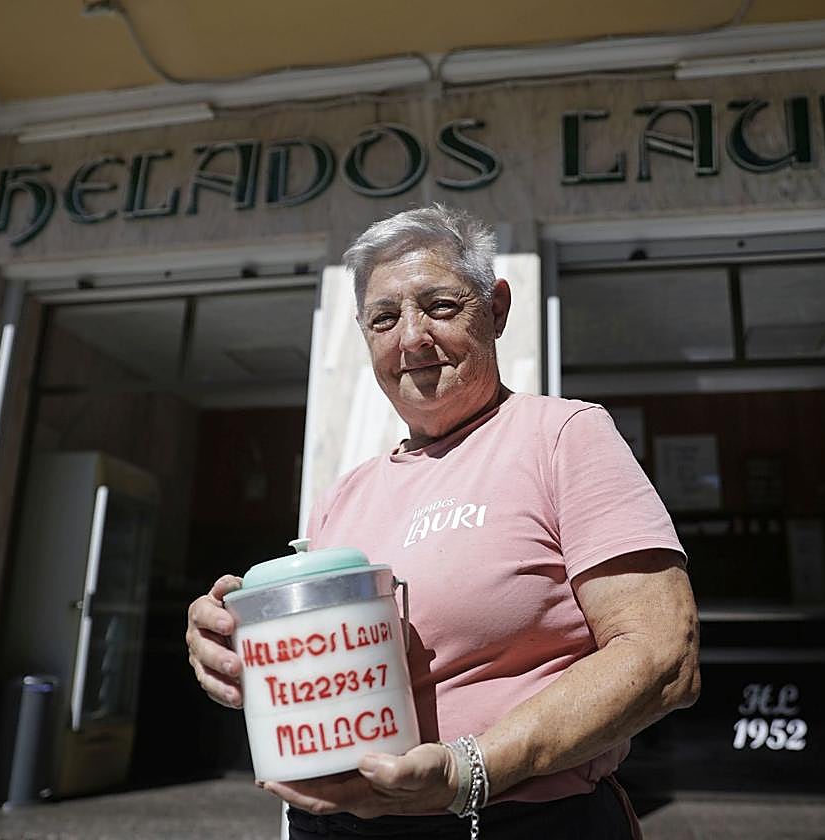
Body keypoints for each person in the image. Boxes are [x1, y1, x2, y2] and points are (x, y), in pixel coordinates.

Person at [185, 204, 699, 839]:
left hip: (515, 819)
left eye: (440, 306)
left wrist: (470, 772)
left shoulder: (562, 436)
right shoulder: (343, 495)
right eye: (384, 318)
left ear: (497, 309)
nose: (411, 338)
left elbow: (662, 656)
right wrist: (234, 642)